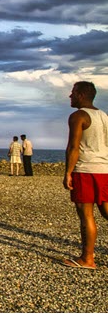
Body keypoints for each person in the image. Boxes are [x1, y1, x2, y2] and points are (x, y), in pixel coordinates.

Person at [62, 81, 108, 270]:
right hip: (104, 168)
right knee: (106, 210)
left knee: (86, 214)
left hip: (86, 169)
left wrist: (68, 172)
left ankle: (87, 258)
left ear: (81, 95)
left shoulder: (78, 116)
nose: (70, 96)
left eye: (73, 93)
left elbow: (74, 147)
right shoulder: (104, 116)